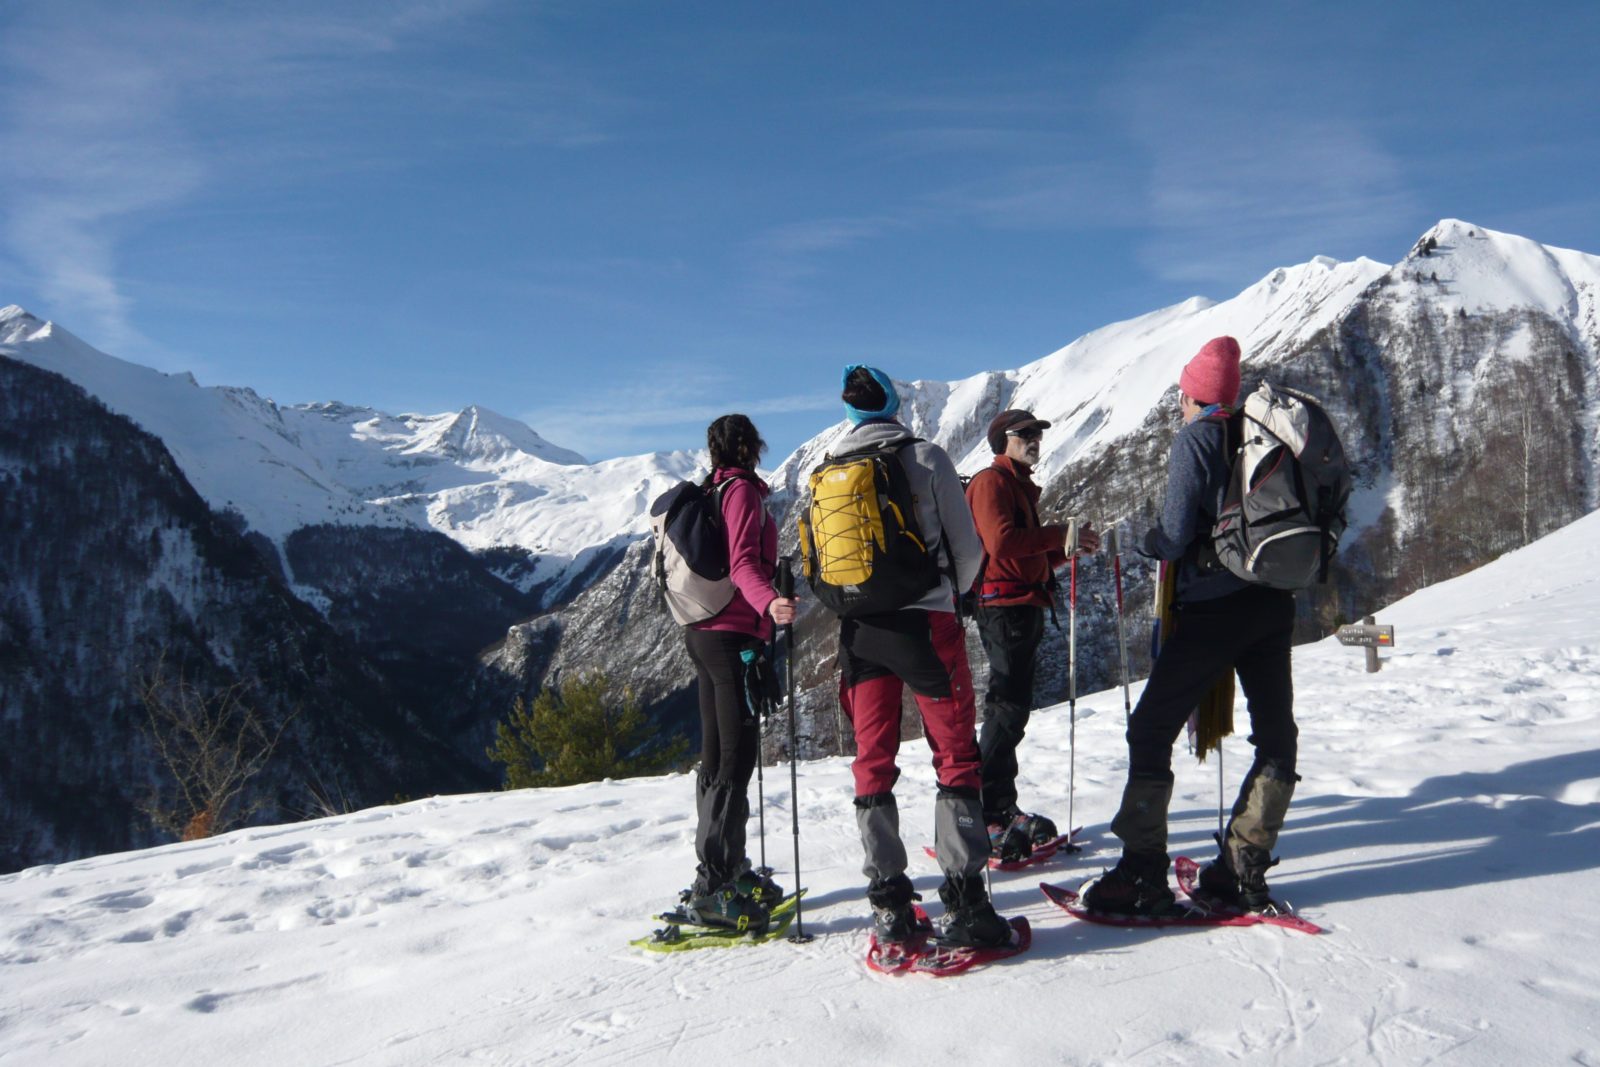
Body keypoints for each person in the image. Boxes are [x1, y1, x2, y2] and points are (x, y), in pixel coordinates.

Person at [1084, 336, 1299, 916]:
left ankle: (1141, 872)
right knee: (1276, 733)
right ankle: (1242, 869)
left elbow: (1176, 534)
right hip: (1274, 604)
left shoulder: (1197, 439)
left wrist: (1149, 543)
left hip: (1214, 611)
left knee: (1150, 730)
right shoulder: (1266, 434)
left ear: (1191, 395)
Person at [819, 365, 1012, 948]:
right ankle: (965, 896)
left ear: (850, 411)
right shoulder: (927, 459)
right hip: (927, 626)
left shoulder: (826, 469)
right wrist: (952, 593)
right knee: (955, 754)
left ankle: (889, 903)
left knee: (872, 761)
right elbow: (968, 551)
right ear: (894, 403)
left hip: (859, 634)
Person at [680, 414, 798, 930]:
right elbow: (744, 562)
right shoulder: (742, 492)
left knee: (715, 758)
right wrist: (770, 602)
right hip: (732, 639)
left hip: (701, 634)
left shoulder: (710, 489)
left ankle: (723, 869)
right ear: (751, 446)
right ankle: (716, 888)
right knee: (735, 759)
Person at [966, 409, 1099, 861]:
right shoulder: (991, 483)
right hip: (1004, 609)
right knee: (1006, 709)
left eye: (1039, 433)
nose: (1035, 439)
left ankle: (1000, 807)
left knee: (1012, 709)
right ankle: (989, 811)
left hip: (1020, 604)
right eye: (1025, 434)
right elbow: (1001, 544)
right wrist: (1058, 534)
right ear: (1003, 440)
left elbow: (1021, 555)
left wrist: (1062, 552)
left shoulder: (1015, 484)